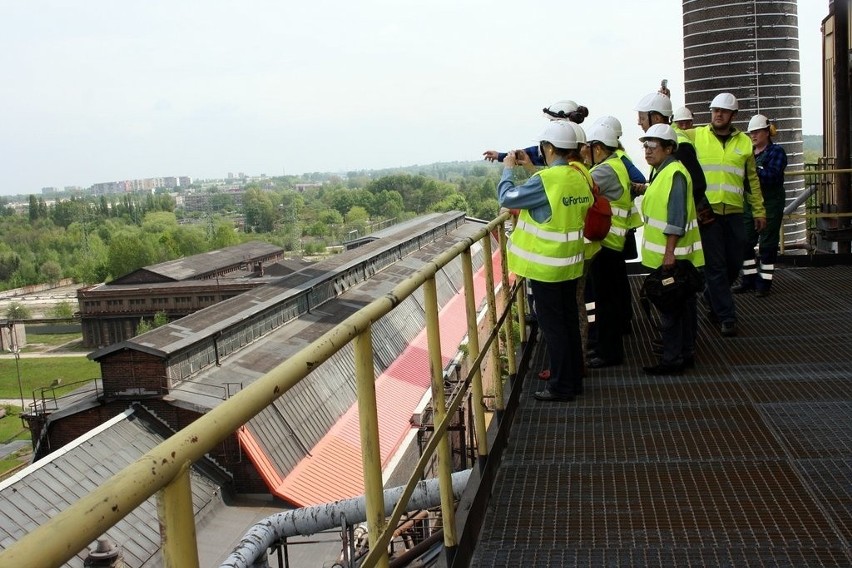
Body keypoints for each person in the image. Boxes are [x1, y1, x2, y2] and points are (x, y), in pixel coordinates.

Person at [497, 121, 593, 401]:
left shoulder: (548, 180)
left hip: (546, 267)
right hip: (569, 263)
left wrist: (508, 169)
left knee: (554, 329)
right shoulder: (580, 175)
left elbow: (506, 197)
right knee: (568, 324)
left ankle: (562, 387)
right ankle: (573, 380)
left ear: (548, 148)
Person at [690, 93, 766, 336]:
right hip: (708, 212)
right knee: (716, 266)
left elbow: (752, 180)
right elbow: (670, 132)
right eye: (715, 110)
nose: (718, 114)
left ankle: (711, 297)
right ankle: (727, 316)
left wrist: (759, 210)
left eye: (723, 111)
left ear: (733, 115)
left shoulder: (744, 142)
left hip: (734, 212)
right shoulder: (697, 135)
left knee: (734, 262)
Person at [638, 124, 705, 374]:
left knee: (671, 311)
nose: (647, 151)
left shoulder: (674, 173)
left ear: (669, 148)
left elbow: (675, 218)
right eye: (645, 145)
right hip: (675, 256)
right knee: (684, 308)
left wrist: (668, 254)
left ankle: (672, 360)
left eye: (653, 146)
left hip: (672, 257)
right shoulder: (663, 172)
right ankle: (684, 354)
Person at [584, 123, 642, 368]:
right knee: (611, 298)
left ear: (598, 148)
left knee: (605, 301)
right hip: (614, 243)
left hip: (606, 244)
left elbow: (577, 187)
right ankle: (606, 348)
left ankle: (609, 353)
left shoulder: (605, 170)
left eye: (588, 148)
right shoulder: (617, 164)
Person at [634, 92, 713, 226]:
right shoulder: (662, 142)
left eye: (642, 118)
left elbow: (697, 184)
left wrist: (676, 214)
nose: (639, 123)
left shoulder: (678, 144)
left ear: (657, 118)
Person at [733, 114, 788, 297]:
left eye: (757, 132)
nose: (753, 136)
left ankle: (764, 283)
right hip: (750, 204)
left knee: (768, 244)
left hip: (770, 204)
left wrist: (752, 170)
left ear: (767, 132)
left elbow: (772, 176)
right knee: (744, 242)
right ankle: (749, 279)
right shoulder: (748, 153)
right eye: (751, 133)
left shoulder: (776, 152)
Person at [483, 100, 589, 166]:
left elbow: (536, 154)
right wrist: (500, 155)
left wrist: (503, 159)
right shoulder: (582, 144)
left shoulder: (563, 151)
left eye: (553, 121)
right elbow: (532, 154)